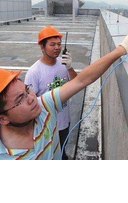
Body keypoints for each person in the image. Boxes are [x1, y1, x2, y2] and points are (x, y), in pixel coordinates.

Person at [0, 30, 128, 160]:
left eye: (26, 90)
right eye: (20, 99)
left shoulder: (43, 106)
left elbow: (81, 80)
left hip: (63, 123)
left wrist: (122, 49)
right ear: (2, 119)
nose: (31, 98)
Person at [25, 26, 77, 160]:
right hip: (46, 126)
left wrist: (70, 68)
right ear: (42, 47)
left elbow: (76, 83)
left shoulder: (63, 64)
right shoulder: (34, 72)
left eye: (59, 44)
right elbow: (28, 103)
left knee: (63, 150)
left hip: (65, 121)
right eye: (52, 44)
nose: (57, 48)